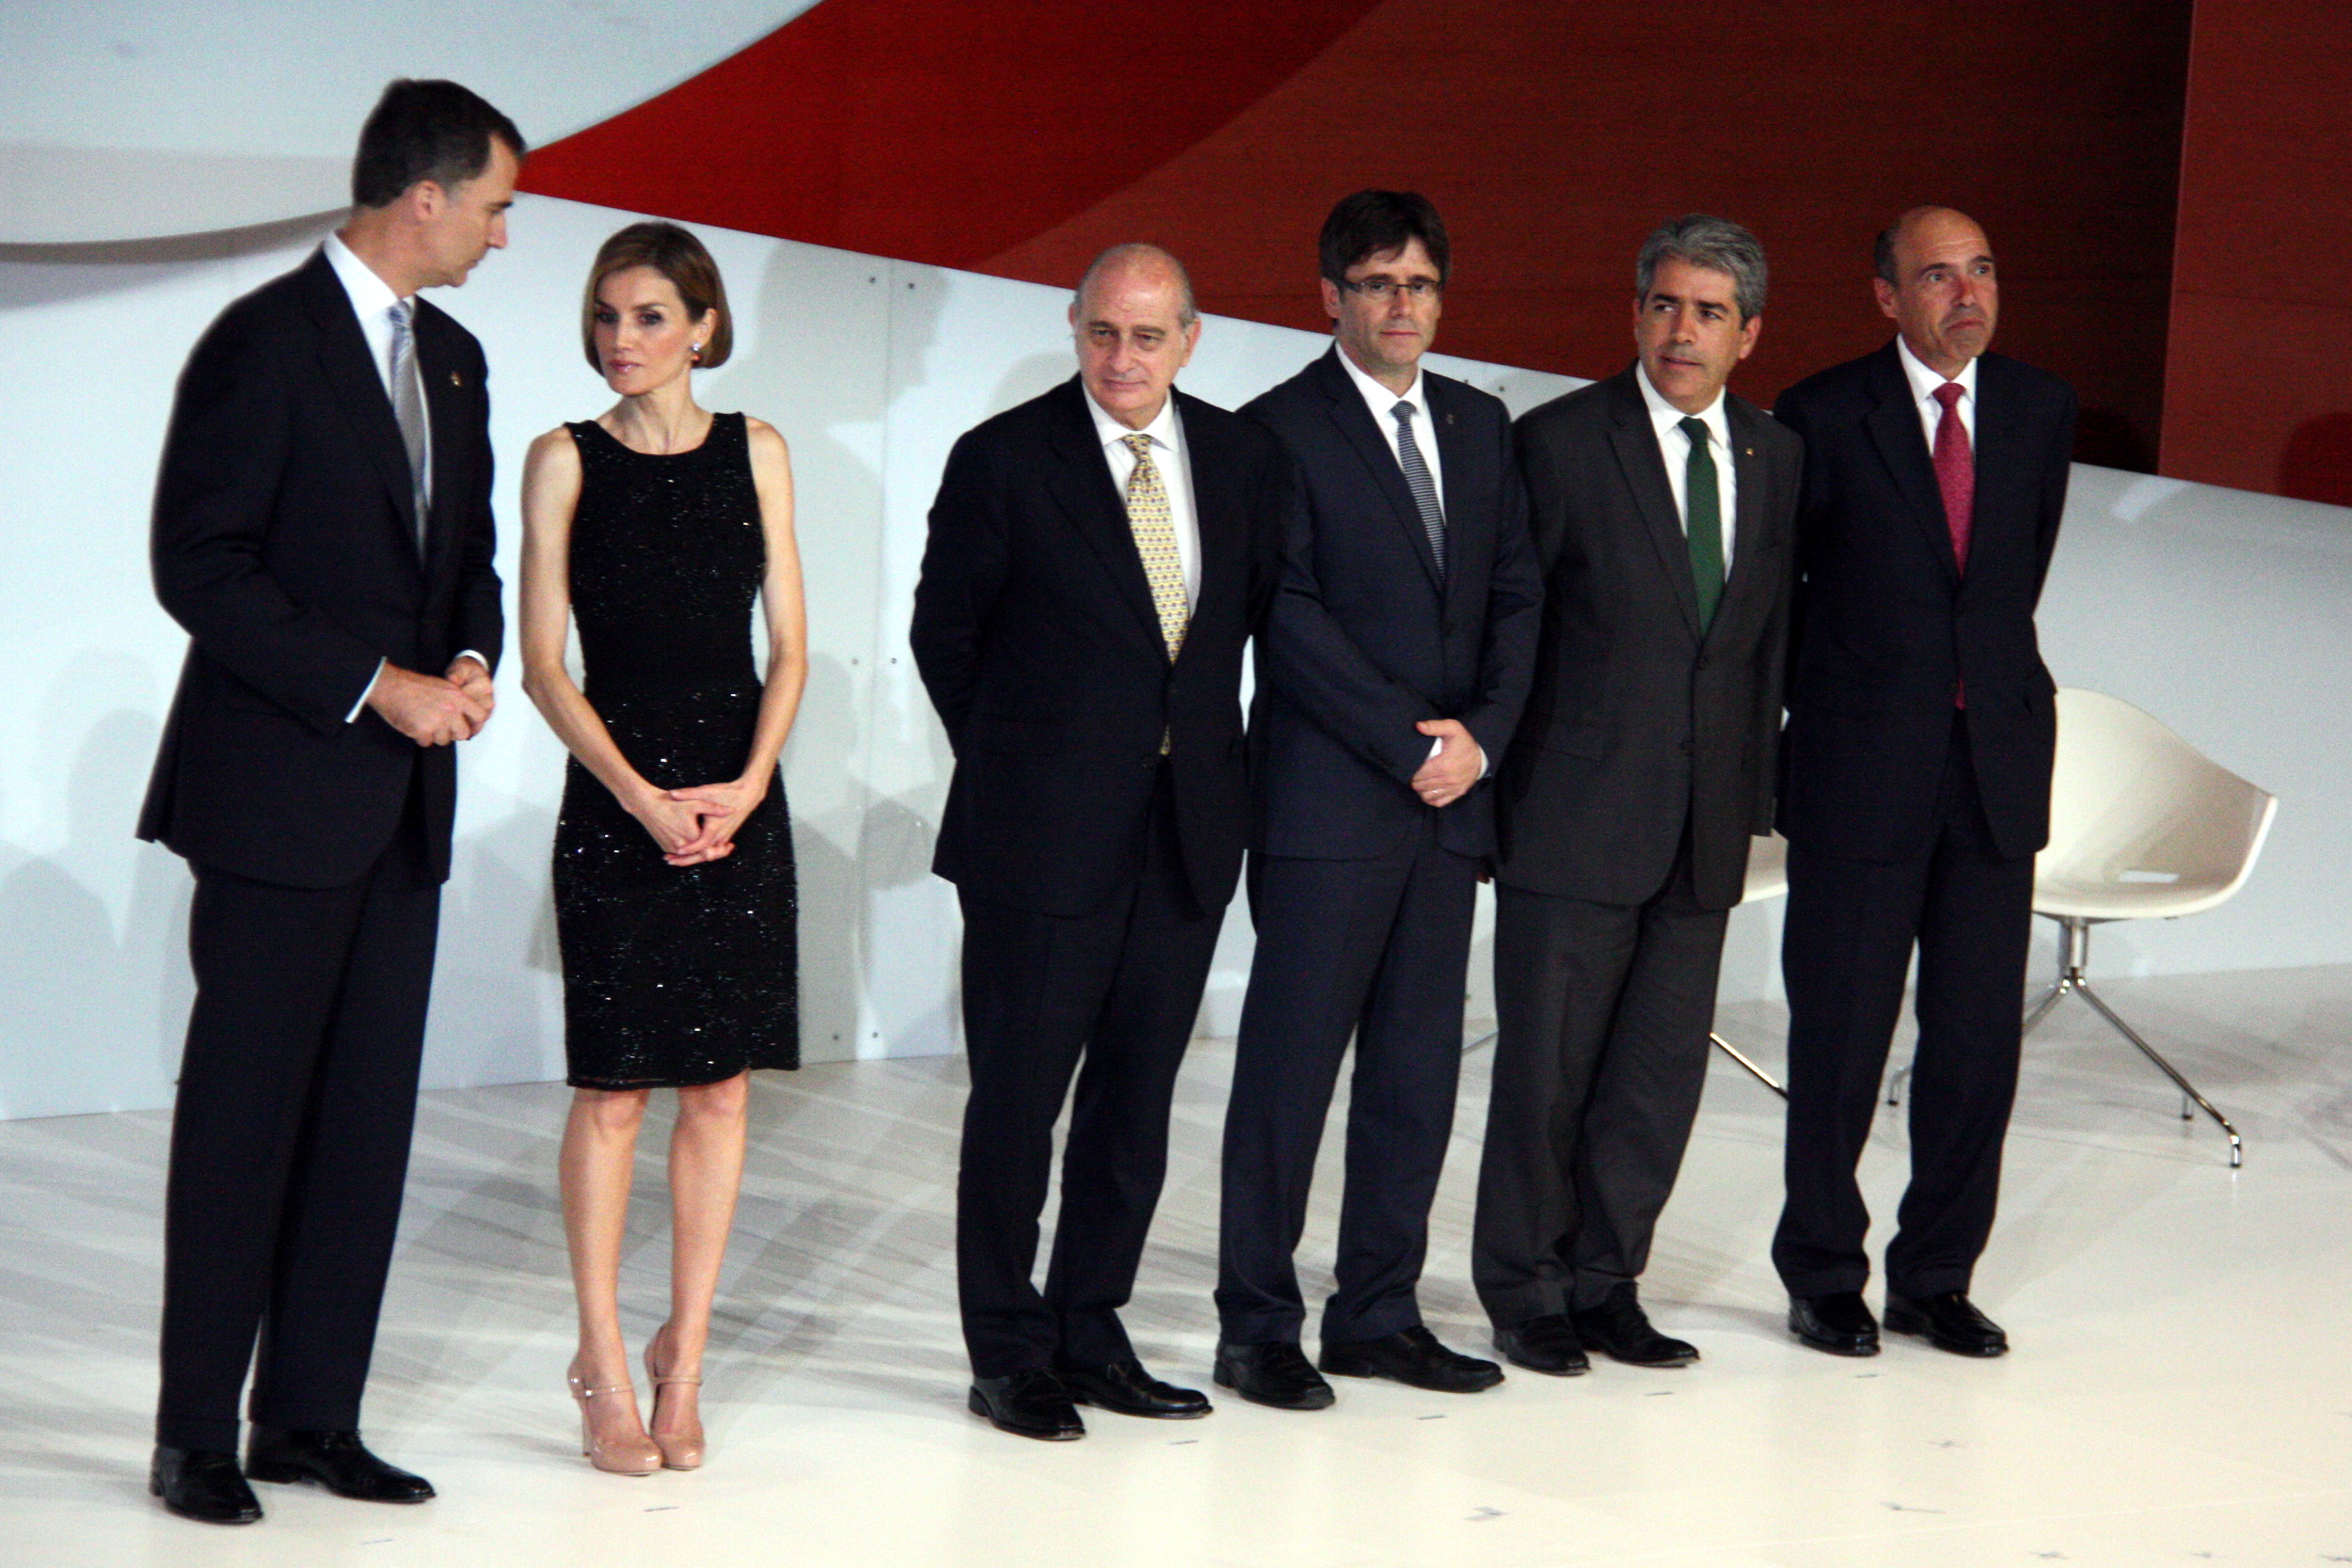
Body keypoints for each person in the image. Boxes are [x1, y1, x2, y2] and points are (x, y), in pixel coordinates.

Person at [136, 79, 521, 1525]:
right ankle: (194, 1435)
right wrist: (379, 683)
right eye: (493, 205)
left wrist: (471, 655)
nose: (500, 235)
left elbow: (468, 551)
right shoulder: (262, 344)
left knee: (364, 1127)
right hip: (276, 804)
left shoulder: (464, 360)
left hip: (400, 814)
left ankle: (309, 1416)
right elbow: (202, 563)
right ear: (423, 195)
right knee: (242, 1124)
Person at [910, 244, 1287, 1440]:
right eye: (1101, 333)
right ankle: (1006, 1348)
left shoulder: (1240, 457)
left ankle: (1090, 1326)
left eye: (1147, 335)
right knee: (1017, 1105)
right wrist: (1035, 767)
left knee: (1134, 1103)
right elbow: (944, 638)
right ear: (1074, 329)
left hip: (1184, 840)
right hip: (1038, 844)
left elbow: (1249, 628)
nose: (1122, 359)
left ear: (1190, 336)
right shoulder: (1004, 458)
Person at [1214, 191, 1540, 1410]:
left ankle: (1377, 1311)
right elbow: (1283, 618)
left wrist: (1483, 742)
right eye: (1374, 283)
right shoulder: (1274, 433)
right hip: (1327, 806)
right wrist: (1414, 743)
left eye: (1418, 285)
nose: (1400, 305)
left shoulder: (1480, 424)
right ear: (1329, 297)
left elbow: (1518, 601)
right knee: (1289, 1075)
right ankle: (1257, 1324)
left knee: (1415, 1073)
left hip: (1449, 807)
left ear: (1440, 300)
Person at [1471, 216, 1802, 1376]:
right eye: (1664, 304)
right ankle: (1524, 1290)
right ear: (1634, 314)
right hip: (1570, 822)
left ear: (1748, 333)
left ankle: (1610, 1282)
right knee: (1546, 1075)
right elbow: (1509, 637)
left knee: (1656, 1079)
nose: (1681, 329)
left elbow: (1763, 650)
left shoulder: (1776, 455)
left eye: (1709, 312)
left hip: (1701, 834)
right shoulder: (1558, 443)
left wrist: (1752, 803)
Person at [517, 222, 806, 1473]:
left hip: (738, 795)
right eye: (604, 317)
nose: (620, 340)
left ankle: (682, 1353)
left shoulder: (760, 449)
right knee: (615, 1086)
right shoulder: (560, 459)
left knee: (722, 1084)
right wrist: (640, 795)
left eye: (645, 316)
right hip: (619, 794)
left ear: (702, 325)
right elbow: (541, 664)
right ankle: (597, 1354)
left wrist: (745, 784)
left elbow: (790, 643)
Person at [1770, 207, 2076, 1359]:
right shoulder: (1817, 410)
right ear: (1885, 296)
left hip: (1991, 764)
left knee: (1974, 1042)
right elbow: (1791, 598)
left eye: (1983, 270)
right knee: (1840, 1037)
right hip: (1860, 768)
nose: (1967, 293)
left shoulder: (2040, 409)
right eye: (1938, 275)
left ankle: (1935, 1274)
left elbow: (2011, 581)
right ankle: (1822, 1271)